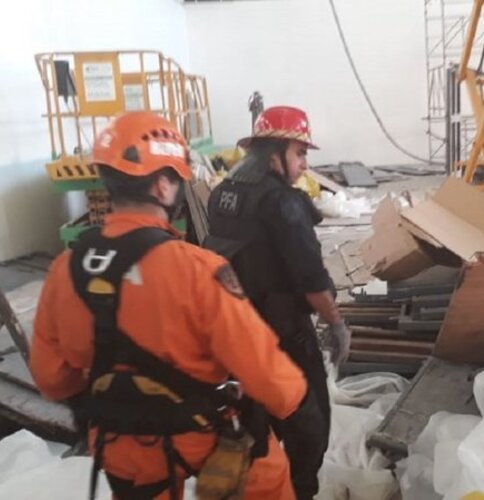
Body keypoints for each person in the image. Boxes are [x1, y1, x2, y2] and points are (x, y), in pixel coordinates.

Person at [29, 111, 326, 500]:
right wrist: (302, 411)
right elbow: (266, 374)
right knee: (268, 473)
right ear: (164, 186)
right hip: (198, 437)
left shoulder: (65, 270)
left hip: (119, 446)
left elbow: (52, 379)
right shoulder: (199, 270)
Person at [205, 106, 351, 499]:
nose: (304, 165)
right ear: (275, 153)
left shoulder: (223, 194)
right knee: (310, 426)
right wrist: (336, 323)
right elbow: (311, 280)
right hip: (285, 337)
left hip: (236, 336)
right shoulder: (284, 202)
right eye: (300, 154)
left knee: (255, 424)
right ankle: (299, 491)